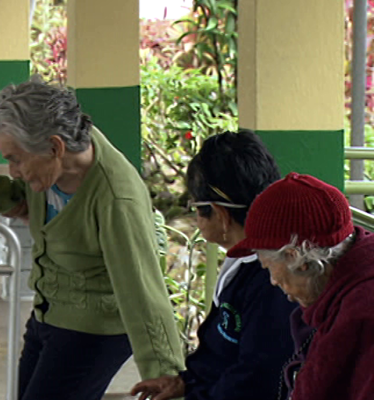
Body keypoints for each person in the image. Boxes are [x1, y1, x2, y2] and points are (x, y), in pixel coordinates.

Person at [0, 78, 184, 400]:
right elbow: (26, 197)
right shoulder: (56, 167)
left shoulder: (116, 199)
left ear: (55, 146)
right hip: (50, 313)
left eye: (16, 159)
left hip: (93, 328)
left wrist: (164, 371)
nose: (14, 170)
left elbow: (141, 288)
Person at [131, 130, 298, 400]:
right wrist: (187, 382)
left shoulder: (273, 279)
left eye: (195, 206)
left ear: (219, 214)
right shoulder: (241, 259)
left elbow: (258, 379)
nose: (194, 215)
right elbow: (226, 350)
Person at [227, 172, 374, 400]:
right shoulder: (343, 291)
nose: (273, 282)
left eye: (268, 268)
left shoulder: (362, 314)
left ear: (296, 258)